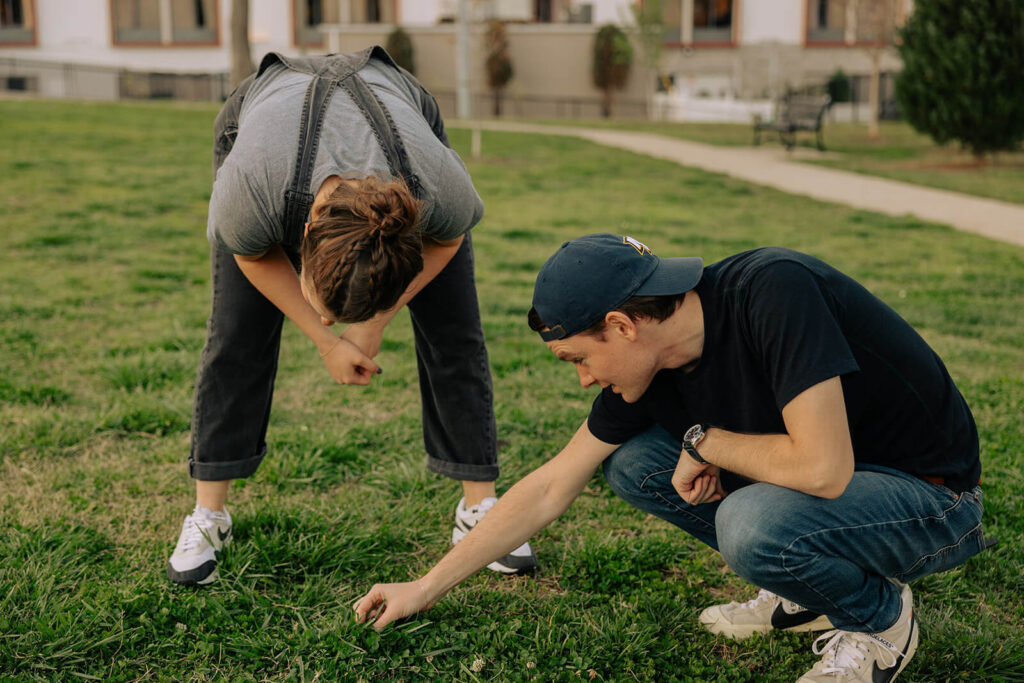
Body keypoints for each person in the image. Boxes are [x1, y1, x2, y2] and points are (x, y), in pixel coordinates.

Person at [354, 233, 987, 682]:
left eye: (578, 359)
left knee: (752, 524)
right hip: (840, 500)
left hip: (931, 497)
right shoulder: (652, 365)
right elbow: (552, 485)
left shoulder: (774, 291)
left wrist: (702, 440)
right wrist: (426, 586)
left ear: (623, 325)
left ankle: (878, 620)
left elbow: (824, 468)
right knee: (631, 463)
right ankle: (803, 590)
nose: (581, 380)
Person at [166, 46, 537, 587]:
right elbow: (251, 255)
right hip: (268, 108)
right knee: (236, 333)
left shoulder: (436, 190)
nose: (331, 321)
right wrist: (324, 340)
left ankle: (479, 510)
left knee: (455, 331)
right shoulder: (251, 191)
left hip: (395, 100)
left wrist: (375, 322)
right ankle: (209, 514)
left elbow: (448, 239)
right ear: (303, 239)